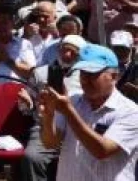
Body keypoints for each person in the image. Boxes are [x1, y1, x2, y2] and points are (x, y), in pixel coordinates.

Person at [40, 43, 138, 181]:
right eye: (83, 73)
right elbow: (50, 143)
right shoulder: (73, 100)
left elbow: (102, 150)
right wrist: (48, 116)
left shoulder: (130, 112)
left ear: (114, 76)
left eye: (93, 74)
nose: (85, 80)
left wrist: (68, 111)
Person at [20, 34, 86, 181]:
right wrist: (28, 104)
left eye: (73, 52)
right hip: (45, 125)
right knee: (32, 157)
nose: (67, 55)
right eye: (64, 50)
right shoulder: (40, 72)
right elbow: (25, 108)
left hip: (76, 127)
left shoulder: (86, 76)